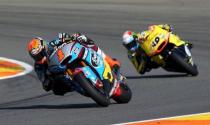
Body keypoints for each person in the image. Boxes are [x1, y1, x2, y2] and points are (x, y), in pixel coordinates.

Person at [27, 33, 121, 95]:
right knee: (56, 90)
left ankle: (111, 62)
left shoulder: (53, 44)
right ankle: (83, 87)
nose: (39, 57)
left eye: (40, 54)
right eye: (36, 57)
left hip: (72, 56)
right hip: (62, 75)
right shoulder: (39, 66)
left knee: (86, 41)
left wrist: (74, 37)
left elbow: (64, 36)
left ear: (44, 47)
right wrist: (47, 82)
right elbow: (44, 82)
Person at [122, 24, 192, 74]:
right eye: (128, 46)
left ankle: (181, 43)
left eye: (131, 44)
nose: (131, 47)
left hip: (155, 46)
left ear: (135, 39)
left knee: (171, 34)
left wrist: (164, 26)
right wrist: (143, 61)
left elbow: (153, 30)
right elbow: (139, 70)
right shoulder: (131, 54)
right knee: (157, 64)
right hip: (152, 61)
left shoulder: (141, 35)